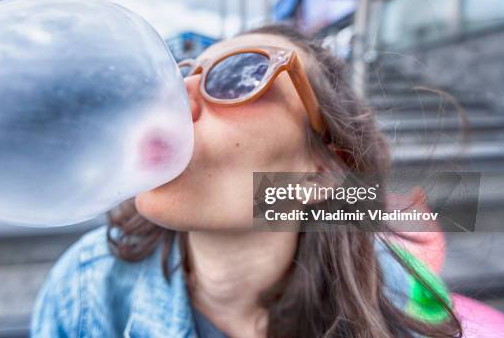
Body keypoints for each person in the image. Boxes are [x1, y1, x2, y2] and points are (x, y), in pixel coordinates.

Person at [30, 24, 462, 337]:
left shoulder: (391, 291)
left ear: (321, 171)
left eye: (239, 76)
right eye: (181, 75)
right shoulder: (88, 289)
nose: (177, 97)